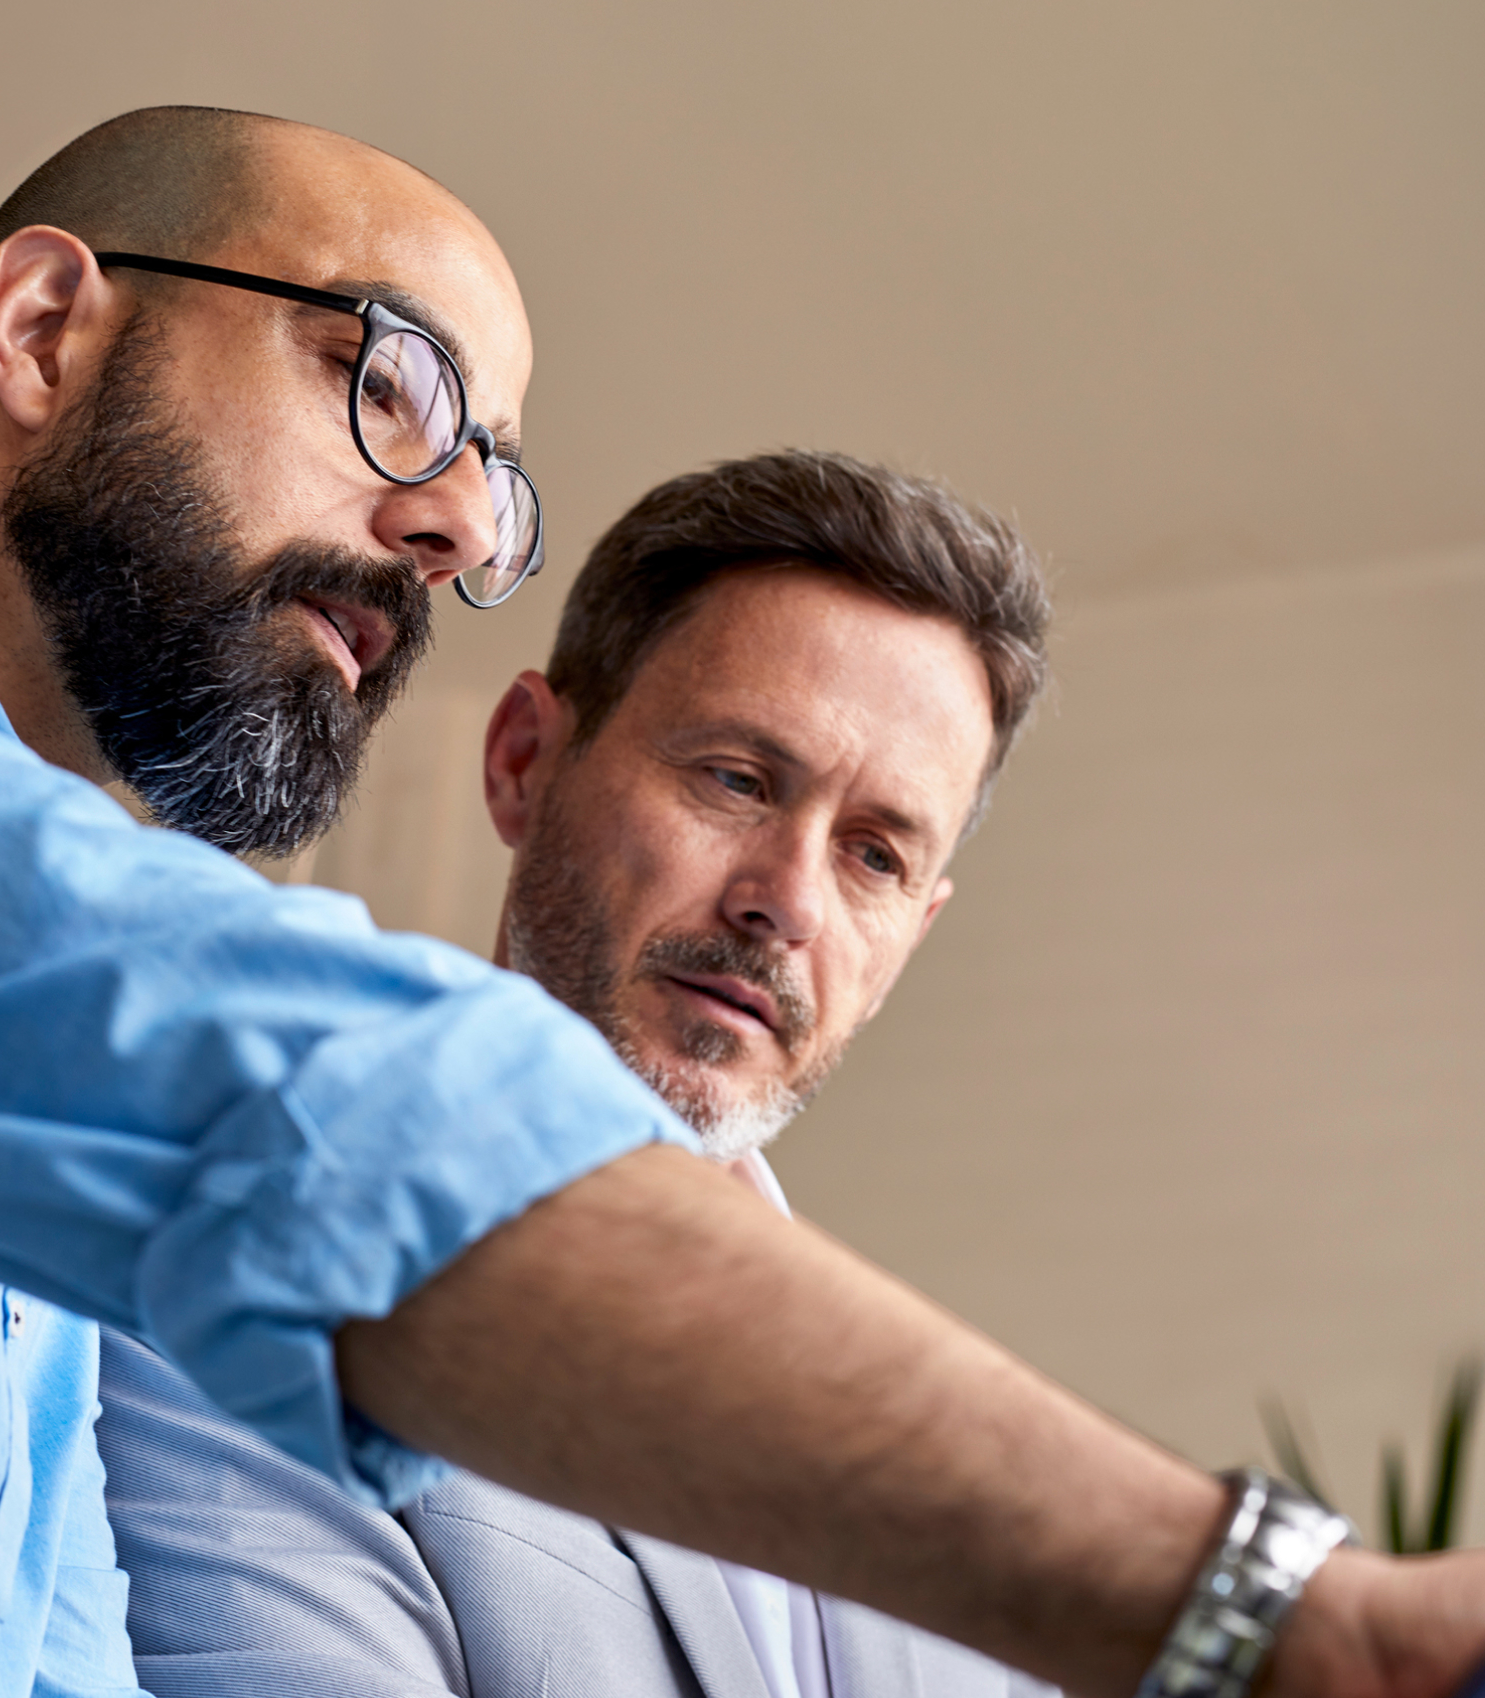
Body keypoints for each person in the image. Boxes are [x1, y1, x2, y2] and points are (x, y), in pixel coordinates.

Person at [0, 106, 1485, 1697]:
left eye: (498, 484)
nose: (459, 531)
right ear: (46, 328)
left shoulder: (22, 1260)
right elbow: (272, 1080)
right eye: (394, 386)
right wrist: (1273, 1613)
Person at [99, 450, 1059, 1698]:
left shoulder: (958, 1489)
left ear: (912, 936)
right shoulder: (249, 1287)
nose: (786, 901)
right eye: (737, 780)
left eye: (874, 856)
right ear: (522, 764)